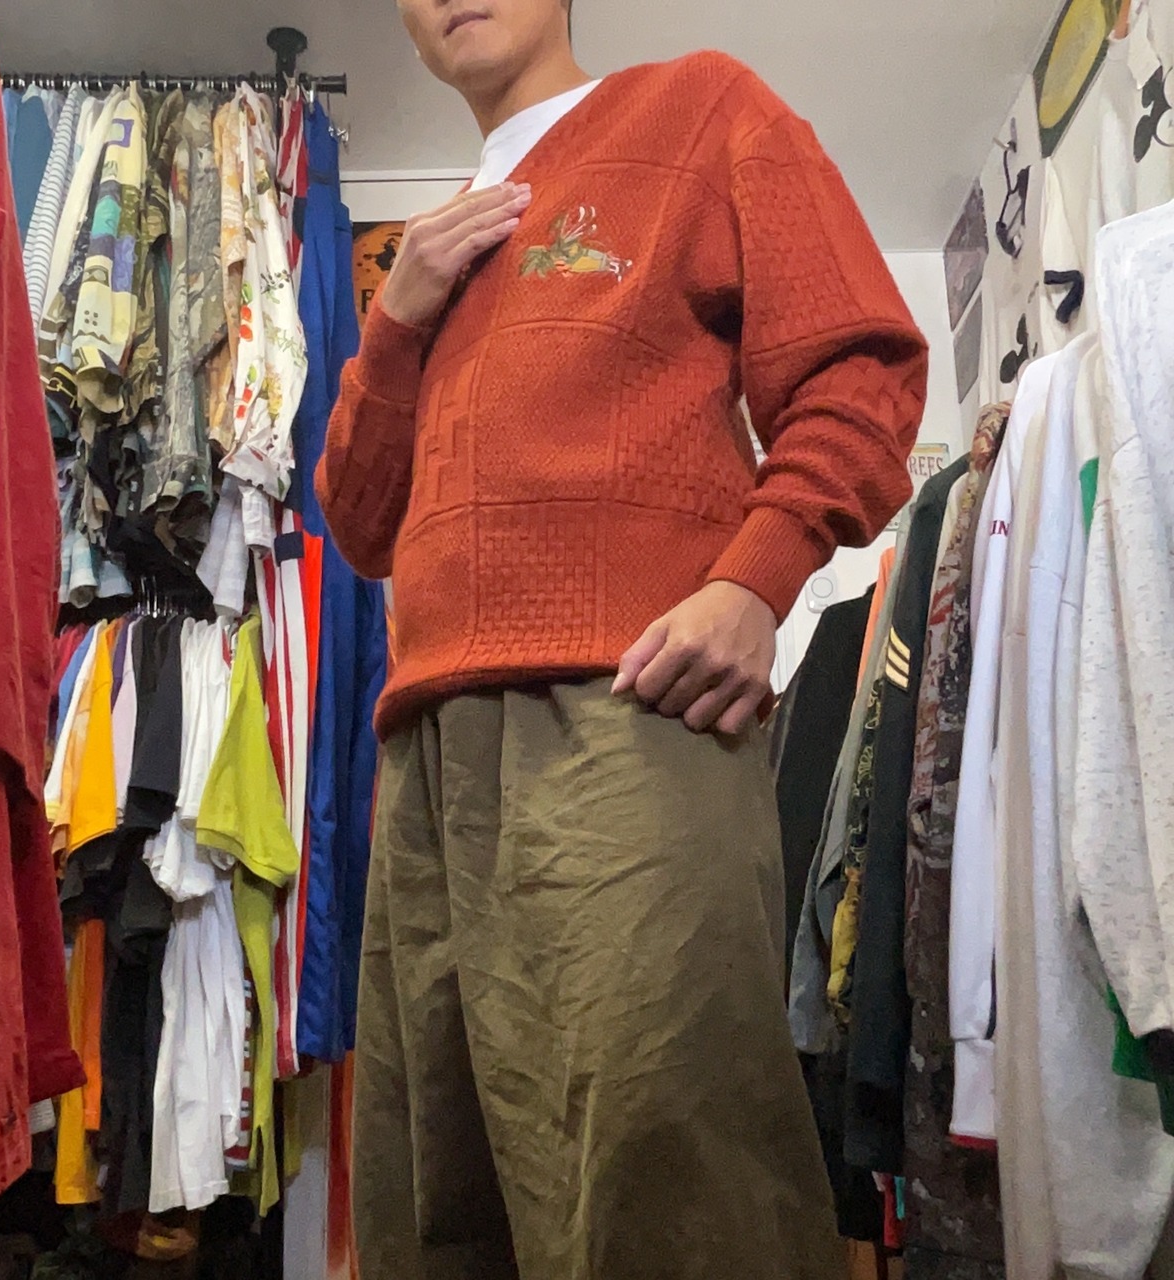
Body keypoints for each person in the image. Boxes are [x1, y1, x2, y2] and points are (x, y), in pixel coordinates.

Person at [316, 1, 929, 1276]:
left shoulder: (696, 109)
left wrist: (754, 581)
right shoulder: (429, 248)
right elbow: (361, 519)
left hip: (626, 716)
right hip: (426, 757)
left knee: (668, 1172)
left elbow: (859, 371)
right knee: (440, 1194)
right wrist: (397, 318)